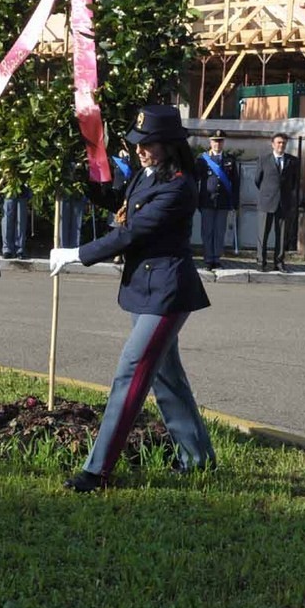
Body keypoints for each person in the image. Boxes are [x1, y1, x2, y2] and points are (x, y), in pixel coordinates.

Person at [48, 105, 217, 492]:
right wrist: (80, 176)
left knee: (130, 370)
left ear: (171, 145)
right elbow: (121, 204)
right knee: (166, 377)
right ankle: (197, 457)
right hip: (144, 289)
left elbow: (131, 232)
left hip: (167, 292)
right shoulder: (148, 173)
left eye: (149, 144)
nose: (140, 150)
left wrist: (76, 254)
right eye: (138, 143)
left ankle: (98, 470)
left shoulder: (178, 186)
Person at [254, 132, 300, 272]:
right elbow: (257, 180)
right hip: (266, 202)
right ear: (273, 144)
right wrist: (267, 192)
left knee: (281, 235)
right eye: (279, 142)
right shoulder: (264, 159)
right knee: (263, 234)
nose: (281, 145)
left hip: (283, 202)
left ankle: (279, 263)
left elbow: (294, 182)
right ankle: (261, 262)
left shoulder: (293, 161)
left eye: (284, 143)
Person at [196, 130, 238, 270]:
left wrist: (235, 202)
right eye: (215, 141)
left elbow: (236, 183)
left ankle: (216, 258)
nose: (217, 144)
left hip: (223, 202)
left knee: (220, 231)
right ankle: (208, 258)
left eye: (220, 141)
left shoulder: (229, 160)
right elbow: (196, 180)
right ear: (210, 142)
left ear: (223, 142)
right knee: (207, 231)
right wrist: (196, 200)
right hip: (207, 201)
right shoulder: (202, 160)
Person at [1, 184, 31, 260]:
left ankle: (19, 249)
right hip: (8, 189)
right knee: (7, 220)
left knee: (21, 221)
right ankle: (7, 249)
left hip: (23, 190)